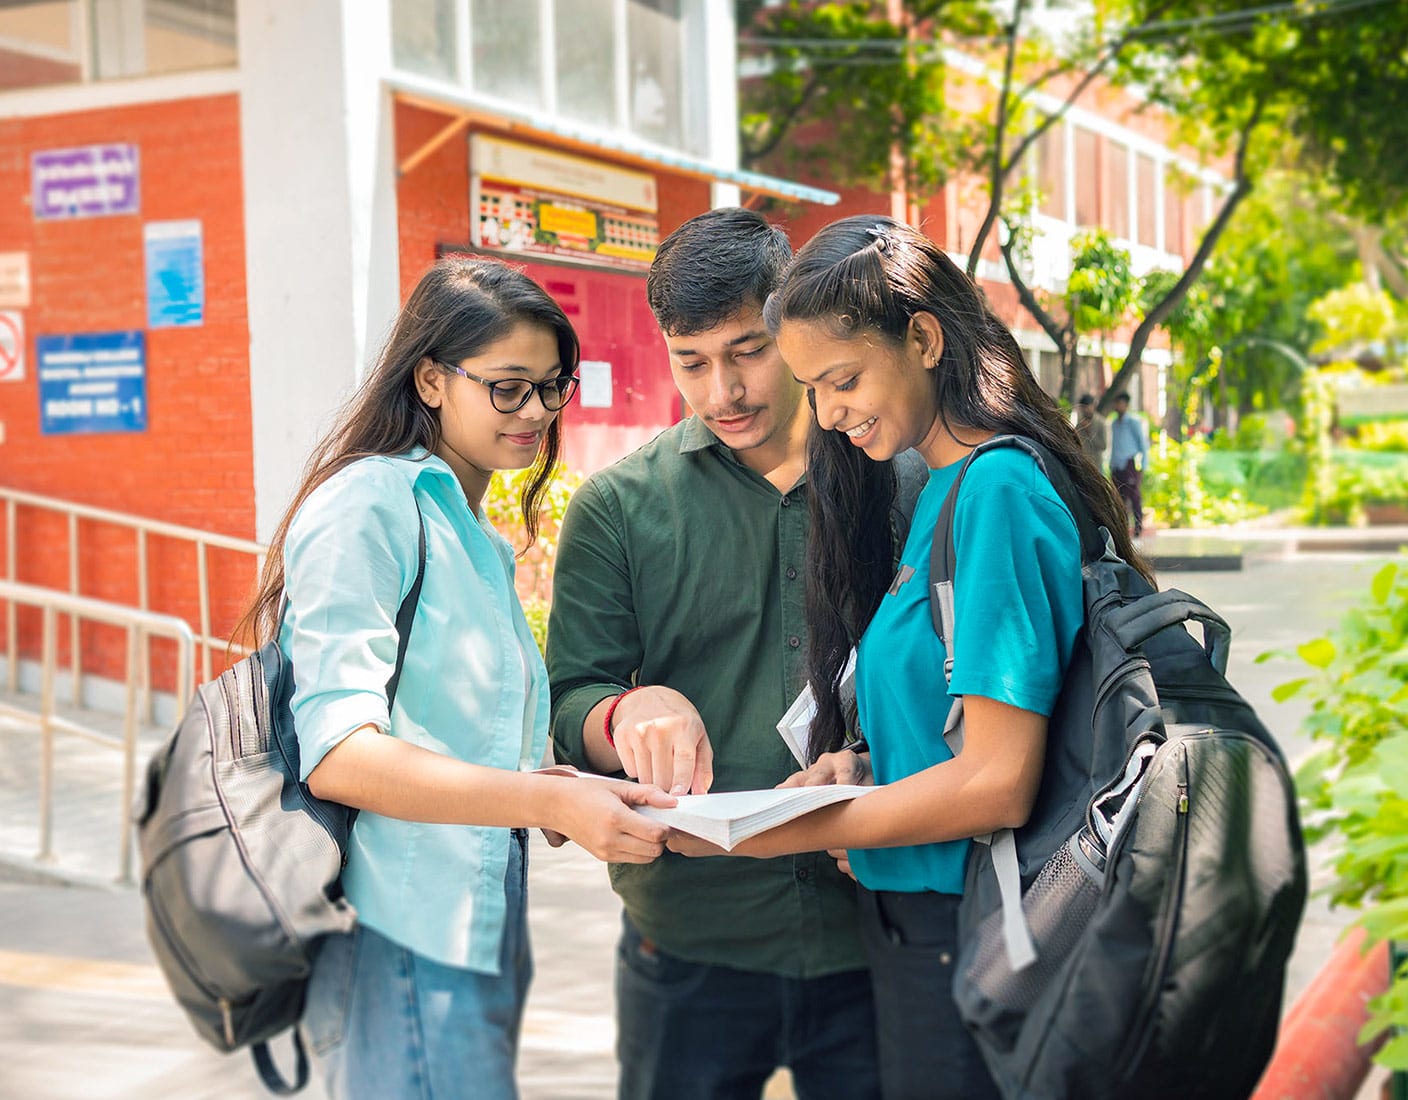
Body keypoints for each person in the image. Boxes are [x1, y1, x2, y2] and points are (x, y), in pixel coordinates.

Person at [665, 216, 1151, 1100]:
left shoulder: (996, 490)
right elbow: (953, 720)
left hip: (971, 932)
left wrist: (779, 831)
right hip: (921, 927)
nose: (828, 413)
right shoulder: (941, 491)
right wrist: (858, 765)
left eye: (843, 380)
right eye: (812, 387)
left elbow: (996, 779)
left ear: (923, 338)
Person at [234, 257, 675, 1100]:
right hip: (395, 927)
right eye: (507, 388)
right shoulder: (371, 504)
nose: (538, 412)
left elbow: (446, 730)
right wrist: (542, 802)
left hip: (468, 916)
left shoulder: (463, 522)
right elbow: (340, 754)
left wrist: (557, 787)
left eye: (553, 387)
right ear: (431, 379)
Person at [547, 208, 921, 1100]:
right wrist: (625, 709)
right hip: (689, 942)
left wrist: (881, 757)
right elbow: (570, 703)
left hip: (879, 930)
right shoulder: (618, 509)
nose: (725, 392)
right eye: (692, 362)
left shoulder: (905, 481)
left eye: (749, 351)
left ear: (791, 329)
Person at [1109, 390, 1151, 537]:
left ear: (1126, 405)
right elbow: (1114, 446)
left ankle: (1138, 528)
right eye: (1116, 403)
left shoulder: (1133, 423)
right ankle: (1123, 530)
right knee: (1119, 499)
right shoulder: (1114, 424)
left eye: (1120, 403)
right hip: (1117, 465)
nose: (1117, 406)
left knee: (1134, 497)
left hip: (1129, 464)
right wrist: (1111, 464)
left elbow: (1143, 445)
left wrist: (1143, 466)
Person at [1074, 391, 1108, 469]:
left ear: (1093, 406)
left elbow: (1103, 446)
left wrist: (1089, 431)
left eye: (1087, 407)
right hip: (1083, 464)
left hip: (1096, 465)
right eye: (1083, 408)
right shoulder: (1080, 423)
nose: (1085, 410)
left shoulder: (1100, 422)